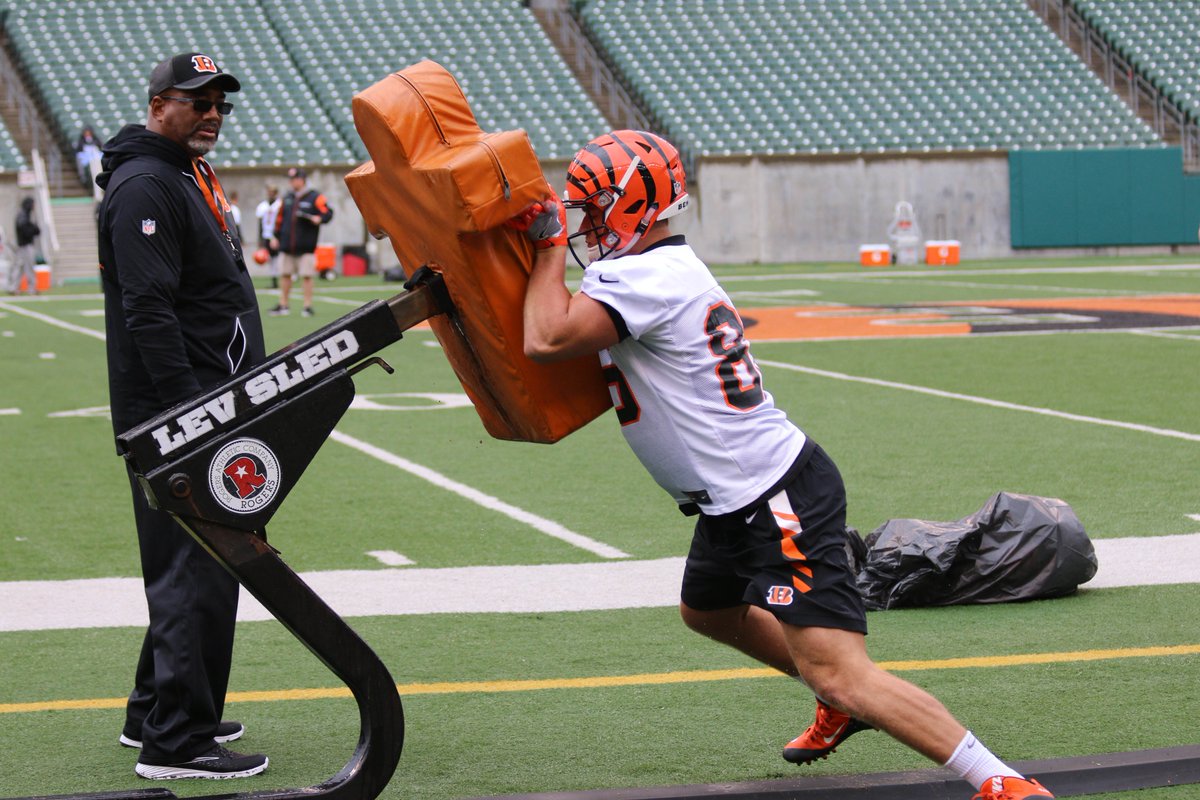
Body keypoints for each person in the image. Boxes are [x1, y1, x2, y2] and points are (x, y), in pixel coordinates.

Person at [515, 130, 1054, 800]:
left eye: (595, 208)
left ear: (636, 203)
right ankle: (843, 703)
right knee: (707, 611)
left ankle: (1000, 781)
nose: (585, 224)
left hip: (771, 494)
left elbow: (546, 338)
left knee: (843, 672)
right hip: (735, 496)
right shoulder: (654, 269)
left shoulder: (646, 275)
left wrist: (540, 253)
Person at [95, 51, 269, 781]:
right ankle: (179, 742)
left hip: (206, 401)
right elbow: (149, 310)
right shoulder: (145, 184)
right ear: (158, 103)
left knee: (191, 564)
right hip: (183, 414)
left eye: (220, 104)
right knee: (197, 568)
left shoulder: (176, 173)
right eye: (198, 101)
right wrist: (187, 416)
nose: (212, 115)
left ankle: (157, 712)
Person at [269, 166, 332, 317]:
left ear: (302, 179)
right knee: (285, 274)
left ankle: (307, 306)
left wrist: (319, 219)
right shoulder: (287, 197)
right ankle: (283, 305)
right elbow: (280, 219)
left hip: (306, 246)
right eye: (290, 179)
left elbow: (328, 212)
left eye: (294, 179)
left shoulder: (315, 196)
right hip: (287, 245)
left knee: (307, 275)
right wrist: (275, 236)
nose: (291, 182)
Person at [9, 196, 39, 295]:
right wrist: (34, 229)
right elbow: (27, 231)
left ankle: (15, 288)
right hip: (25, 246)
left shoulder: (27, 215)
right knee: (25, 267)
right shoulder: (23, 216)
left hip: (23, 246)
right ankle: (28, 288)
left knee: (21, 267)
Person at [254, 183, 281, 287]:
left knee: (278, 258)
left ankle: (286, 277)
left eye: (272, 192)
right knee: (271, 259)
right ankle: (274, 280)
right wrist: (260, 239)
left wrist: (278, 236)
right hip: (267, 235)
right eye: (269, 192)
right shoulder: (263, 206)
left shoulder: (279, 205)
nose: (270, 194)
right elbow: (260, 224)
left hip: (277, 236)